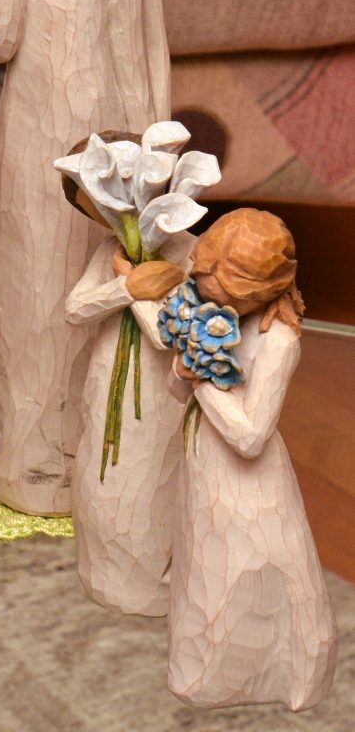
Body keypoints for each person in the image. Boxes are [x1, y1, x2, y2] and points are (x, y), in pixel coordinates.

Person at [0, 0, 170, 514]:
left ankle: (72, 451)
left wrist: (148, 142)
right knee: (25, 277)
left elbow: (129, 49)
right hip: (26, 133)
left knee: (77, 275)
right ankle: (20, 451)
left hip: (92, 140)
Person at [163, 208, 337, 710]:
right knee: (203, 566)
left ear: (257, 289)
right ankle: (205, 674)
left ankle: (267, 674)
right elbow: (180, 394)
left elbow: (251, 435)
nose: (206, 294)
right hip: (203, 463)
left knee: (246, 570)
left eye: (222, 287)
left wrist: (201, 380)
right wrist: (183, 369)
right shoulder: (215, 318)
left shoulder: (277, 341)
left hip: (248, 485)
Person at [60, 134, 190, 617]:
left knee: (151, 480)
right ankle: (102, 572)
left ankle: (151, 585)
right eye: (91, 207)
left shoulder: (188, 248)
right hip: (106, 375)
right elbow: (76, 309)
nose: (106, 216)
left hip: (160, 391)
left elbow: (167, 338)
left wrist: (136, 290)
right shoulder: (114, 251)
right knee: (101, 478)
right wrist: (128, 285)